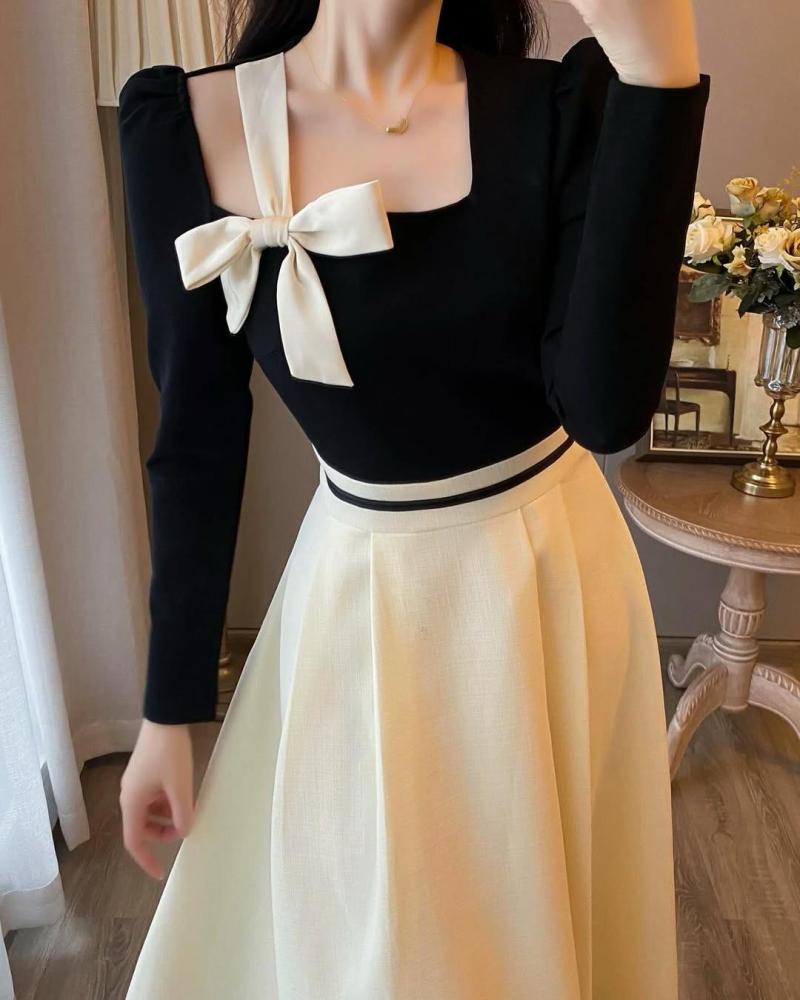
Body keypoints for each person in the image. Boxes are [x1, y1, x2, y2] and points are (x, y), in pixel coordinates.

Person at [117, 0, 710, 996]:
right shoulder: (181, 126)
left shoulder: (557, 106)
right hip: (359, 595)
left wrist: (659, 76)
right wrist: (167, 712)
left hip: (551, 582)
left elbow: (605, 410)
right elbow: (198, 434)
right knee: (365, 936)